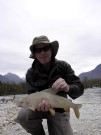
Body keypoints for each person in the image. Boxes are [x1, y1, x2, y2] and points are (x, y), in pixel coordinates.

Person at [16, 35, 84, 135]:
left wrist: (68, 88)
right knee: (23, 115)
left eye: (46, 48)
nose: (42, 52)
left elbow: (80, 89)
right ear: (35, 54)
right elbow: (31, 95)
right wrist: (37, 106)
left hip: (60, 109)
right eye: (38, 50)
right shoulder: (30, 73)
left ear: (51, 50)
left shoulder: (63, 66)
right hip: (39, 109)